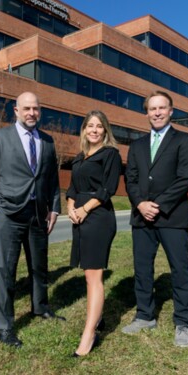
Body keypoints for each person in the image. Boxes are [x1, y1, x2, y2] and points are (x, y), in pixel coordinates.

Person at [0, 91, 62, 348]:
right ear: (16, 111)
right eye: (26, 108)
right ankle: (3, 326)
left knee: (39, 266)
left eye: (35, 109)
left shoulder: (47, 141)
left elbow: (51, 179)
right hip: (10, 214)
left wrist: (55, 209)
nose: (31, 113)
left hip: (38, 214)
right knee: (5, 270)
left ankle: (41, 307)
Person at [123, 90, 188, 347]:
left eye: (161, 108)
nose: (157, 113)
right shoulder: (137, 145)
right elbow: (130, 179)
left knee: (180, 270)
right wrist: (141, 204)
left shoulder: (186, 140)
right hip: (141, 218)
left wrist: (159, 205)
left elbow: (186, 178)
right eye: (152, 109)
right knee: (143, 270)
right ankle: (145, 316)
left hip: (173, 216)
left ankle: (183, 322)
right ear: (146, 113)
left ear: (171, 111)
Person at [66, 110, 122, 357]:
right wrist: (70, 207)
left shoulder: (110, 154)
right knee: (88, 273)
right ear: (84, 130)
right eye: (90, 126)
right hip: (79, 217)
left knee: (94, 276)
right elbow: (72, 188)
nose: (95, 130)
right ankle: (97, 320)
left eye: (99, 126)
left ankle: (88, 336)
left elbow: (108, 188)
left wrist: (85, 209)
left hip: (98, 217)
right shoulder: (79, 158)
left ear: (105, 130)